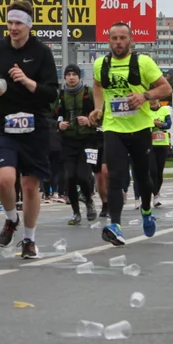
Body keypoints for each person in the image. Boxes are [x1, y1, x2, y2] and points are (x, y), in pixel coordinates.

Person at [0, 0, 59, 258]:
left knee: (29, 186)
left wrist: (27, 82)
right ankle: (11, 217)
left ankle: (29, 239)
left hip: (34, 125)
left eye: (18, 23)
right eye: (10, 23)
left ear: (28, 25)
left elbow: (51, 93)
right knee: (4, 180)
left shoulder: (42, 53)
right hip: (4, 123)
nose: (13, 28)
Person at [89, 22, 171, 245]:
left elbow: (166, 88)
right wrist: (98, 108)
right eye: (114, 38)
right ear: (108, 41)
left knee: (143, 177)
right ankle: (115, 225)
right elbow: (97, 85)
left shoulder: (143, 62)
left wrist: (144, 96)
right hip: (113, 128)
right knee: (114, 175)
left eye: (122, 38)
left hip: (140, 129)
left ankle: (146, 210)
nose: (118, 42)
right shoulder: (100, 63)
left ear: (131, 40)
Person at [56, 64, 98, 225]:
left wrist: (90, 120)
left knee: (83, 175)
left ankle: (89, 202)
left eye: (74, 74)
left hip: (89, 141)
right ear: (64, 77)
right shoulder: (60, 95)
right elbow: (48, 116)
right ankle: (75, 212)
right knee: (70, 177)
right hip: (68, 141)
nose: (71, 77)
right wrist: (58, 125)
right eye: (68, 74)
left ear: (79, 77)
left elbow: (102, 112)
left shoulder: (89, 93)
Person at [149, 100, 173, 208]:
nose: (152, 102)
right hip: (150, 144)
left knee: (159, 171)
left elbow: (168, 124)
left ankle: (156, 193)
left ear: (158, 100)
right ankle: (154, 194)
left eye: (154, 100)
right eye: (150, 101)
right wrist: (152, 124)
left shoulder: (164, 110)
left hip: (162, 144)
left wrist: (161, 124)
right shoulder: (146, 111)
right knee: (152, 171)